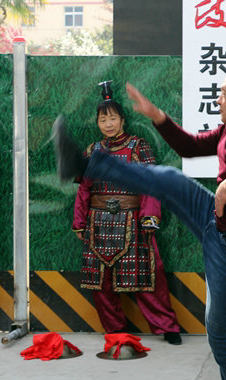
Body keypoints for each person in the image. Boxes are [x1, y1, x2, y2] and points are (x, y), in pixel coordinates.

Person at [54, 66, 226, 380]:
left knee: (220, 334)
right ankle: (84, 165)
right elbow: (191, 147)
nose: (218, 99)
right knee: (170, 179)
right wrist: (157, 116)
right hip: (218, 223)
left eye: (224, 93)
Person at [72, 81, 181, 345]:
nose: (108, 124)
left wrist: (149, 217)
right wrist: (79, 222)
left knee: (147, 278)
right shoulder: (92, 151)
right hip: (97, 223)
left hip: (133, 221)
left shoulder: (138, 147)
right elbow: (84, 190)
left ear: (122, 119)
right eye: (103, 119)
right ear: (97, 123)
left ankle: (167, 327)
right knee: (101, 283)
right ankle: (115, 330)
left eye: (112, 118)